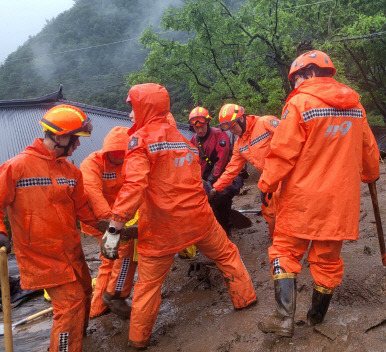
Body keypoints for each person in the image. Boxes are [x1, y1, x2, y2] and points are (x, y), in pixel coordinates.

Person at [100, 83, 257, 349]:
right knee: (228, 255)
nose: (130, 114)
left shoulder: (140, 142)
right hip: (200, 218)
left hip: (162, 227)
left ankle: (139, 339)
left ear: (143, 106)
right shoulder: (185, 141)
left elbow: (134, 187)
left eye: (132, 108)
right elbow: (196, 179)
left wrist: (114, 228)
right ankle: (245, 299)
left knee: (148, 285)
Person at [257, 50, 380, 337]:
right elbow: (369, 150)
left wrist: (266, 186)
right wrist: (370, 175)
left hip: (302, 198)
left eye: (296, 78)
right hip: (340, 202)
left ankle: (283, 318)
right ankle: (316, 318)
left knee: (285, 251)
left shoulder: (300, 103)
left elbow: (282, 152)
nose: (296, 84)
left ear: (309, 73)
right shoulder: (356, 106)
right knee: (327, 260)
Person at [0, 105, 98, 351]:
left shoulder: (71, 171)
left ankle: (77, 340)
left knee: (86, 292)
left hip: (71, 251)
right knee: (70, 305)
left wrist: (112, 228)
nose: (77, 145)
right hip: (42, 255)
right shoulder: (16, 167)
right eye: (75, 139)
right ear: (59, 136)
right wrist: (0, 232)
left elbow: (85, 212)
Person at [80, 126, 136, 319]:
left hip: (119, 219)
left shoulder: (130, 161)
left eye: (123, 155)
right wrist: (111, 225)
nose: (119, 159)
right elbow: (92, 192)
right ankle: (114, 295)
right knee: (122, 252)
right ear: (107, 151)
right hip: (100, 221)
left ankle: (99, 307)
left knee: (109, 260)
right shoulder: (92, 164)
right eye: (115, 155)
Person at [209, 104, 280, 237]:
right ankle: (278, 244)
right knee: (270, 212)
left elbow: (291, 138)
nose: (232, 131)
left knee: (291, 210)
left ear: (241, 119)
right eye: (228, 129)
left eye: (233, 127)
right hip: (269, 180)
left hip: (287, 174)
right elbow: (232, 169)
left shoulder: (265, 123)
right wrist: (216, 189)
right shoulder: (240, 145)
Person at [189, 106, 244, 235]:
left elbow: (221, 162)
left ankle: (225, 229)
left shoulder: (220, 135)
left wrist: (211, 184)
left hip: (229, 176)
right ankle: (211, 226)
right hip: (207, 179)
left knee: (220, 196)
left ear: (207, 123)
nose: (199, 129)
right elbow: (193, 163)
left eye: (202, 126)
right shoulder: (193, 140)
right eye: (196, 127)